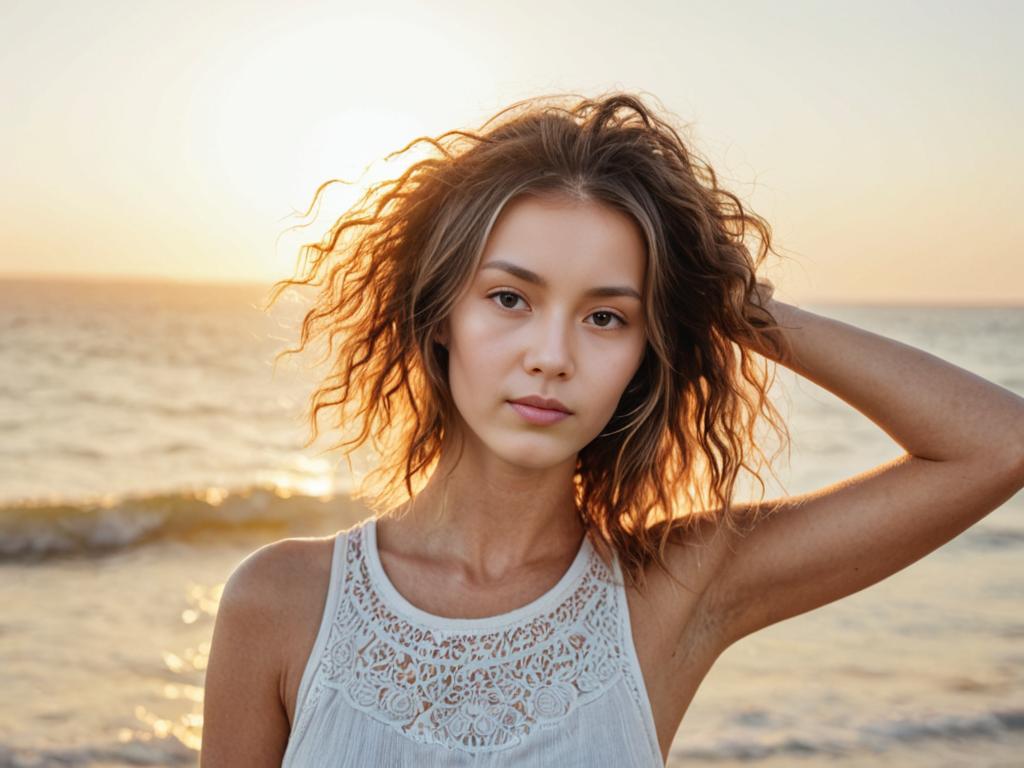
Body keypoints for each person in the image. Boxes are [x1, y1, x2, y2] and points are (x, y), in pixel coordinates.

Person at [198, 92, 1024, 767]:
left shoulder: (670, 593)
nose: (551, 357)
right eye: (510, 298)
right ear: (440, 313)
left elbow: (998, 443)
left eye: (604, 316)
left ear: (645, 350)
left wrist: (739, 307)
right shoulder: (283, 603)